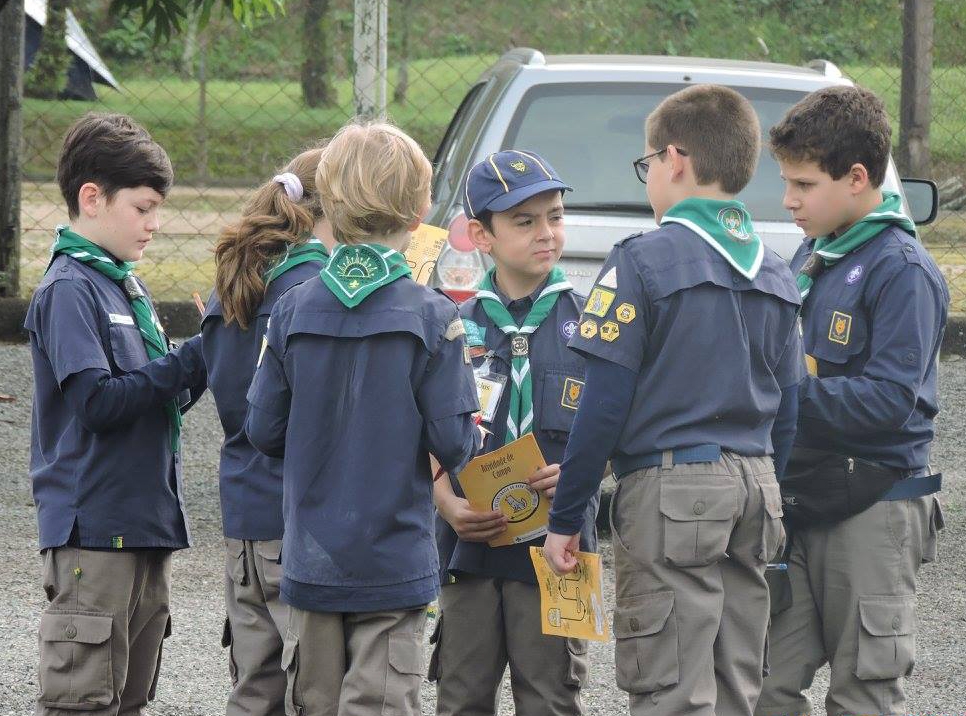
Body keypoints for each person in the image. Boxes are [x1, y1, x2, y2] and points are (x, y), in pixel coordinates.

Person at [542, 84, 803, 716]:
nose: (649, 176)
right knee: (738, 681)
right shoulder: (776, 269)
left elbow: (601, 404)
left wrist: (566, 517)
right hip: (756, 485)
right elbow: (790, 407)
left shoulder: (642, 260)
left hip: (672, 488)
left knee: (671, 688)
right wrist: (771, 484)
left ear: (676, 159)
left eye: (648, 163)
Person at [244, 121, 480, 716]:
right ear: (422, 208)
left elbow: (264, 431)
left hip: (311, 557)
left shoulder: (291, 308)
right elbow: (455, 443)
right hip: (394, 559)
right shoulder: (434, 318)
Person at [755, 85, 948, 716]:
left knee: (864, 686)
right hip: (807, 494)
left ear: (857, 178)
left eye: (803, 185)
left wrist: (779, 399)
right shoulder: (816, 251)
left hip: (873, 505)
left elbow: (890, 401)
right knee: (764, 681)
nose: (788, 200)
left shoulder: (903, 270)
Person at [24, 112, 207, 715]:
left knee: (129, 700)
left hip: (143, 523)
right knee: (84, 701)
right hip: (95, 532)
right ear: (92, 197)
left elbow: (164, 399)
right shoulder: (70, 288)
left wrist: (212, 351)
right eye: (144, 207)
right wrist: (188, 359)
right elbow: (99, 403)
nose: (155, 225)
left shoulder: (124, 286)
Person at [430, 150, 597, 716]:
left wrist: (586, 476)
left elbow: (620, 426)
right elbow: (423, 430)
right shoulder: (450, 325)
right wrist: (445, 502)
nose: (546, 234)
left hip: (564, 547)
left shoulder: (596, 323)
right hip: (469, 546)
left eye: (554, 216)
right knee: (460, 693)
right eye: (524, 222)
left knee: (553, 696)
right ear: (481, 234)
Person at [200, 145, 332, 716]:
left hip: (245, 516)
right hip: (299, 516)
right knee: (316, 690)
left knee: (254, 689)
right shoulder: (316, 288)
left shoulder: (238, 276)